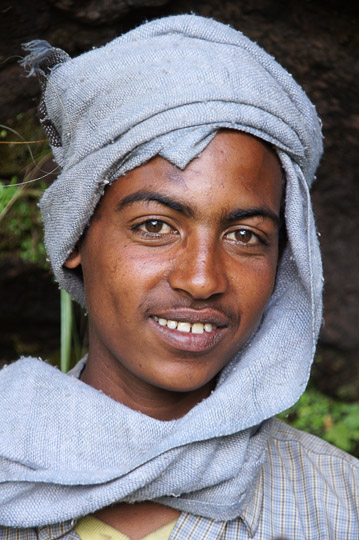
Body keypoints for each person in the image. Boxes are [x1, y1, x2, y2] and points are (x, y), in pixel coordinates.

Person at [0, 14, 358, 540]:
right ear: (76, 237)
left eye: (245, 236)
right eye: (155, 226)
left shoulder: (340, 504)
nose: (201, 279)